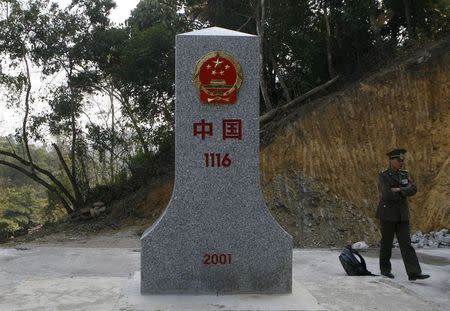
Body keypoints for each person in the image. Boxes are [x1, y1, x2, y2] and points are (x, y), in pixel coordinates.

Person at [376, 148, 430, 281]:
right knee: (387, 243)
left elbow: (414, 189)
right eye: (399, 160)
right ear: (391, 160)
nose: (401, 162)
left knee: (406, 244)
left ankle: (414, 273)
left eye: (402, 160)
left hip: (402, 215)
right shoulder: (383, 175)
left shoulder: (405, 174)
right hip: (387, 213)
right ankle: (385, 270)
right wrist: (403, 190)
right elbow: (387, 193)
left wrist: (399, 189)